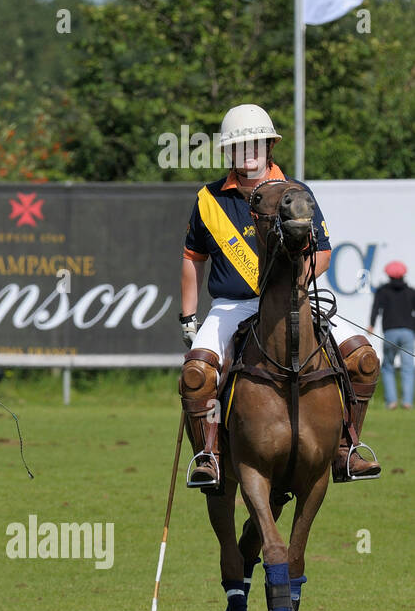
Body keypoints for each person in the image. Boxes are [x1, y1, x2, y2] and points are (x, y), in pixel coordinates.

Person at [178, 103, 381, 490]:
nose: (248, 152)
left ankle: (347, 445)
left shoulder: (296, 193)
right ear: (229, 152)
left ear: (269, 147)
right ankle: (209, 454)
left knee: (364, 359)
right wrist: (189, 318)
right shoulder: (209, 199)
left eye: (256, 143)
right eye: (239, 145)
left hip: (295, 300)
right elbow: (192, 259)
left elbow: (322, 250)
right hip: (232, 306)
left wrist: (298, 282)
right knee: (196, 374)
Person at [367, 260, 415, 409]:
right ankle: (407, 402)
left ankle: (392, 401)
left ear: (388, 275)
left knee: (388, 367)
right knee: (408, 368)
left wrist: (371, 325)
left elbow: (376, 309)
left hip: (390, 333)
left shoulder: (383, 291)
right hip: (408, 332)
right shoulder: (411, 292)